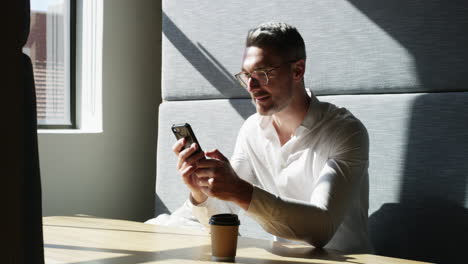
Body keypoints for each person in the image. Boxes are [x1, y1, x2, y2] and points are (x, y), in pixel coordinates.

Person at [172, 22, 372, 253]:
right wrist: (201, 190)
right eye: (246, 75)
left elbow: (322, 228)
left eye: (262, 73)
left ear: (297, 70)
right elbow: (223, 216)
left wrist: (239, 190)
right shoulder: (251, 130)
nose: (251, 86)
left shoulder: (346, 132)